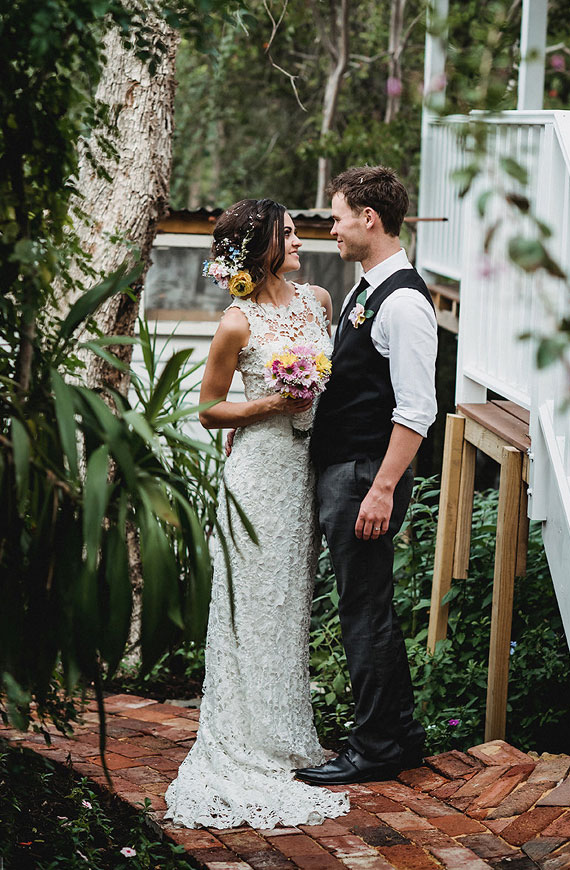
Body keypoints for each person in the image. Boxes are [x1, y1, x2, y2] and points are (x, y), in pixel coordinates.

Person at [164, 198, 349, 829]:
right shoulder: (235, 323)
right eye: (290, 234)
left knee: (288, 602)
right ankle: (247, 740)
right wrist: (271, 405)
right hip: (257, 475)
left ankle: (286, 731)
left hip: (305, 474)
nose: (301, 240)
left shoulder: (319, 301)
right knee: (252, 603)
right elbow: (208, 408)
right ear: (264, 243)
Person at [296, 166, 438, 786]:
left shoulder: (404, 302)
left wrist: (381, 488)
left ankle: (375, 746)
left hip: (364, 477)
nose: (332, 227)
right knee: (367, 604)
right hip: (349, 470)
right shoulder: (364, 289)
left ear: (369, 219)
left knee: (363, 610)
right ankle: (400, 734)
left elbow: (417, 409)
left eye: (338, 216)